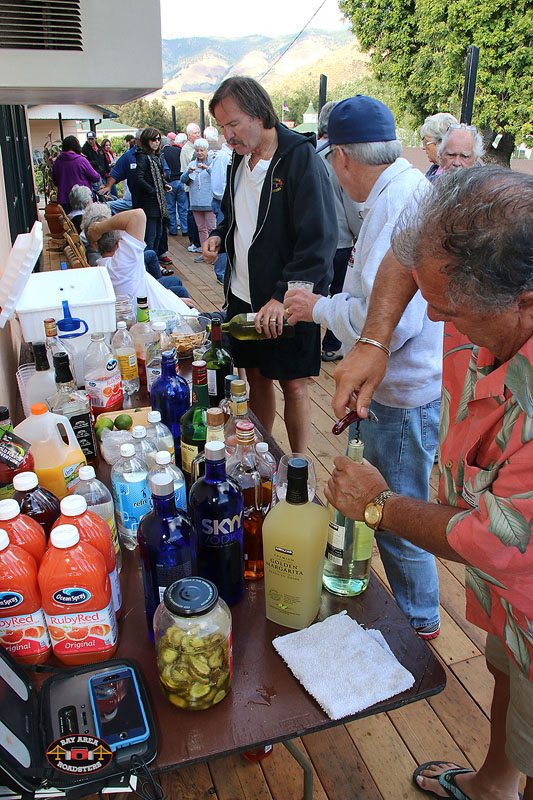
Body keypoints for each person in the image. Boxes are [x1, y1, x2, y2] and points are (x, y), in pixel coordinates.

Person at [327, 166, 533, 800]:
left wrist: (379, 505)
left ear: (524, 300)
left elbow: (493, 540)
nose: (440, 322)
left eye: (451, 313)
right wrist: (373, 339)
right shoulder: (486, 269)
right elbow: (406, 255)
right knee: (508, 663)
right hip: (517, 603)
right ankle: (494, 783)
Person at [284, 95, 442, 638]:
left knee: (393, 514)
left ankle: (419, 622)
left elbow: (391, 323)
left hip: (401, 394)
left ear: (343, 158)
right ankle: (415, 614)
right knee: (393, 508)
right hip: (396, 389)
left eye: (330, 160)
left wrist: (318, 308)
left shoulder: (397, 203)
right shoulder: (398, 192)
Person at [203, 76, 336, 453]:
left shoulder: (299, 158)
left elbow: (318, 238)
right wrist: (221, 233)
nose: (227, 136)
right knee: (257, 377)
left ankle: (297, 464)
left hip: (288, 298)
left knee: (293, 383)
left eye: (233, 124)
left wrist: (285, 295)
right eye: (221, 127)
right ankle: (264, 454)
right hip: (243, 294)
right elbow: (236, 212)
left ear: (260, 114)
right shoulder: (238, 159)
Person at [315, 100, 362, 362]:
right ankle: (330, 345)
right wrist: (360, 232)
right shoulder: (340, 158)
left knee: (313, 292)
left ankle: (310, 344)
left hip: (312, 240)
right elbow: (351, 202)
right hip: (340, 240)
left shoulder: (309, 154)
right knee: (339, 295)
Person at [83, 206, 195, 309]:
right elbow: (138, 215)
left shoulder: (105, 266)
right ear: (119, 243)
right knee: (180, 288)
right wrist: (98, 228)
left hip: (160, 305)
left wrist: (174, 299)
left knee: (178, 287)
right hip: (172, 318)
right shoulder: (122, 265)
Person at [135, 127, 171, 255]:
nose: (157, 142)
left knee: (158, 235)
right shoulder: (143, 157)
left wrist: (164, 185)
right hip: (149, 204)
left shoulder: (154, 157)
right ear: (146, 141)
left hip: (157, 204)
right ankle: (150, 266)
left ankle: (154, 264)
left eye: (158, 139)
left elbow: (157, 177)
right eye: (153, 139)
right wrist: (153, 191)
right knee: (150, 237)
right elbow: (139, 178)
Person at [181, 137, 216, 256]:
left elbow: (217, 178)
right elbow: (183, 180)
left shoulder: (213, 163)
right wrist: (188, 172)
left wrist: (208, 169)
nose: (199, 153)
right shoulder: (191, 164)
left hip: (209, 202)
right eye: (197, 150)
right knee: (201, 228)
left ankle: (213, 251)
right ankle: (204, 251)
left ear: (207, 150)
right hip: (195, 202)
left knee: (212, 228)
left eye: (202, 150)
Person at [51, 135, 100, 212]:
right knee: (84, 222)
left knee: (69, 222)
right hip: (82, 200)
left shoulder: (57, 162)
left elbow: (55, 181)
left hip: (64, 199)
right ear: (77, 146)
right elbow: (95, 177)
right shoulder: (81, 160)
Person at [209, 138, 233, 285]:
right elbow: (218, 188)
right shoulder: (223, 157)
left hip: (228, 202)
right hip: (223, 203)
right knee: (224, 233)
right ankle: (221, 273)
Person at [180, 122, 202, 253]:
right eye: (195, 133)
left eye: (199, 132)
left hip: (201, 188)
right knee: (191, 215)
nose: (198, 134)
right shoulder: (185, 150)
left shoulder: (200, 146)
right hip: (190, 188)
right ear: (189, 135)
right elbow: (183, 170)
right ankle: (194, 241)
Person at [162, 132, 188, 237]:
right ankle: (185, 229)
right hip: (180, 181)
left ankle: (173, 229)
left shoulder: (161, 153)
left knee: (170, 208)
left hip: (169, 183)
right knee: (183, 207)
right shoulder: (178, 150)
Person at [419, 112, 457, 180]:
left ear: (441, 143)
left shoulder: (455, 179)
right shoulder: (434, 170)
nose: (423, 147)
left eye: (426, 142)